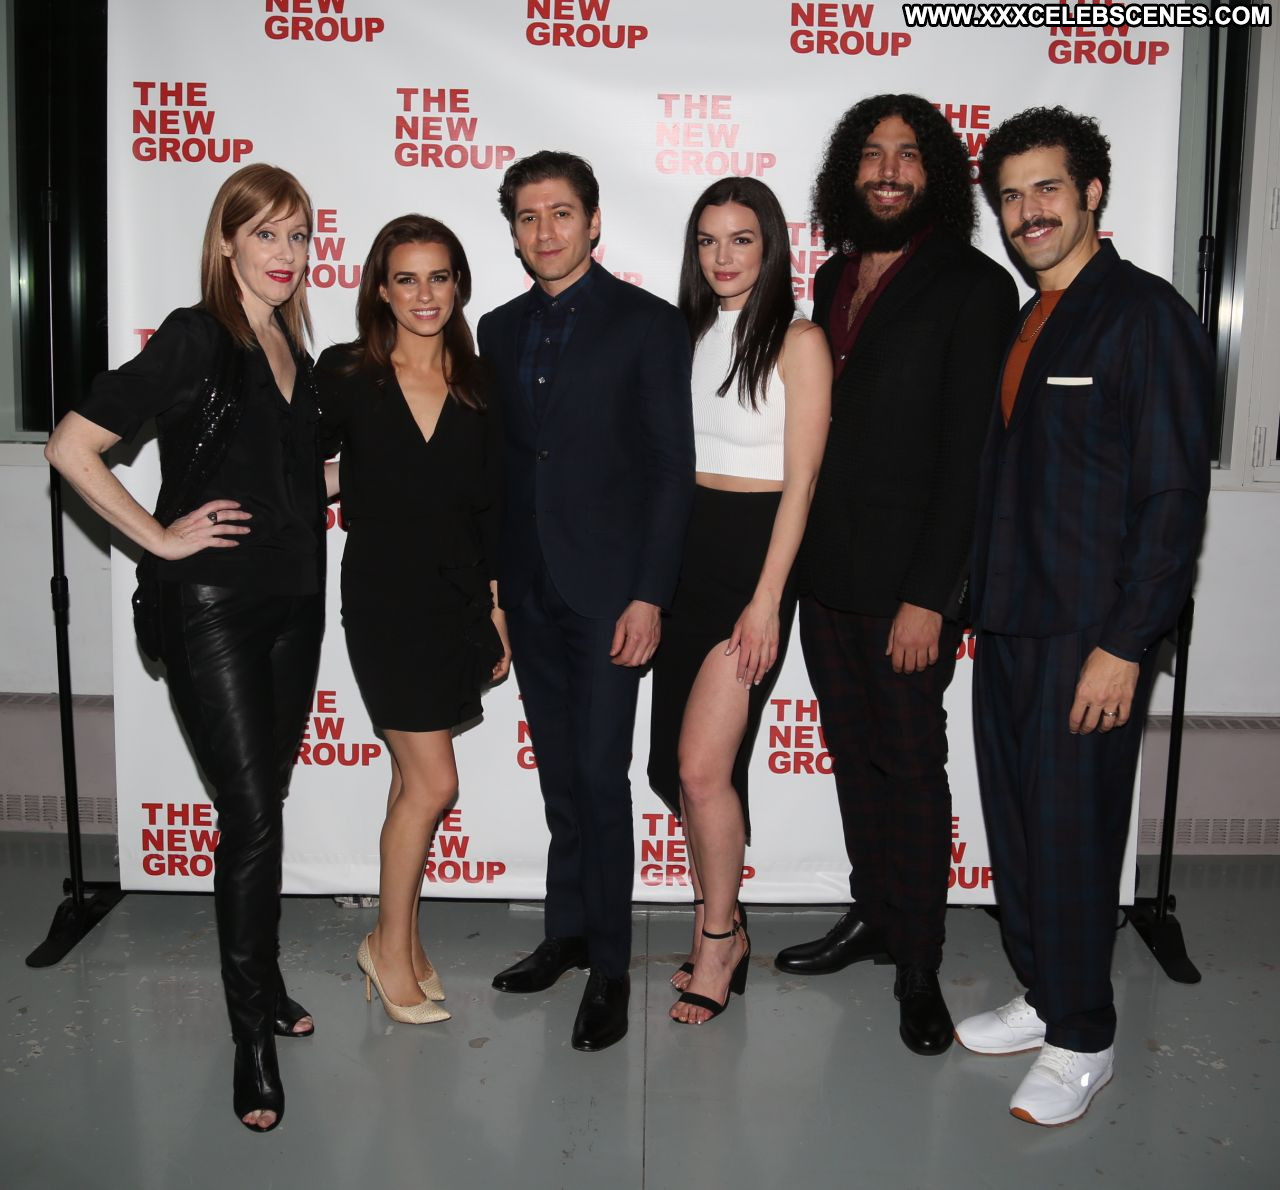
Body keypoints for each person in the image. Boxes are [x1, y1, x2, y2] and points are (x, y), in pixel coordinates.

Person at [45, 164, 325, 1131]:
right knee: (248, 816)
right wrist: (160, 540)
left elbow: (295, 476)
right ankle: (251, 1041)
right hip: (212, 608)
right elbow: (71, 445)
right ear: (227, 241)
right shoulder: (196, 335)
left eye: (298, 234)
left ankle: (267, 982)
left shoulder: (295, 347)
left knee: (263, 807)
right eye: (266, 234)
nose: (285, 253)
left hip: (295, 604)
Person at [955, 106, 1211, 1125]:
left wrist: (1124, 641)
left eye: (1047, 188)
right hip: (1009, 620)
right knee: (1019, 831)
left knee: (1071, 837)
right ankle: (1043, 990)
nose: (1028, 211)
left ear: (1091, 192)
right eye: (1011, 195)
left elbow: (1170, 498)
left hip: (1088, 633)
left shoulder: (1143, 315)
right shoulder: (1032, 317)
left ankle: (1083, 1037)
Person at [773, 94, 1019, 1057]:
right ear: (848, 172)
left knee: (912, 768)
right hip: (826, 576)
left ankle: (919, 959)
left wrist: (932, 597)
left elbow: (969, 459)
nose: (887, 170)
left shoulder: (975, 286)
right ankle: (874, 914)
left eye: (908, 154)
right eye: (871, 154)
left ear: (936, 173)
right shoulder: (833, 274)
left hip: (909, 588)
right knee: (853, 756)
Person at [479, 150, 694, 1052]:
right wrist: (496, 590)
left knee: (602, 780)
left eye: (561, 213)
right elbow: (502, 467)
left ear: (594, 221)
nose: (545, 231)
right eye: (528, 217)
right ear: (514, 231)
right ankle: (566, 931)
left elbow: (671, 470)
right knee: (560, 776)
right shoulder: (494, 328)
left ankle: (610, 964)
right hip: (529, 588)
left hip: (610, 594)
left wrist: (649, 595)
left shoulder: (649, 323)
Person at [315, 215, 510, 1026]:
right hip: (385, 600)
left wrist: (497, 610)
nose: (424, 294)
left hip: (458, 601)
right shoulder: (347, 372)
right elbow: (302, 466)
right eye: (406, 278)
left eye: (438, 276)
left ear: (459, 284)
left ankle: (406, 941)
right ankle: (386, 950)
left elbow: (493, 511)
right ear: (381, 289)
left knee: (408, 781)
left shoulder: (483, 382)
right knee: (434, 783)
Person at [648, 177, 830, 1024]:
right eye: (708, 240)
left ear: (771, 247)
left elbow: (803, 486)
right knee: (676, 772)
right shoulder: (681, 333)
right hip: (683, 556)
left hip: (752, 562)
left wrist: (766, 602)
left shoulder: (799, 340)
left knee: (702, 768)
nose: (723, 257)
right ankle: (715, 919)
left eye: (742, 239)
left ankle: (720, 937)